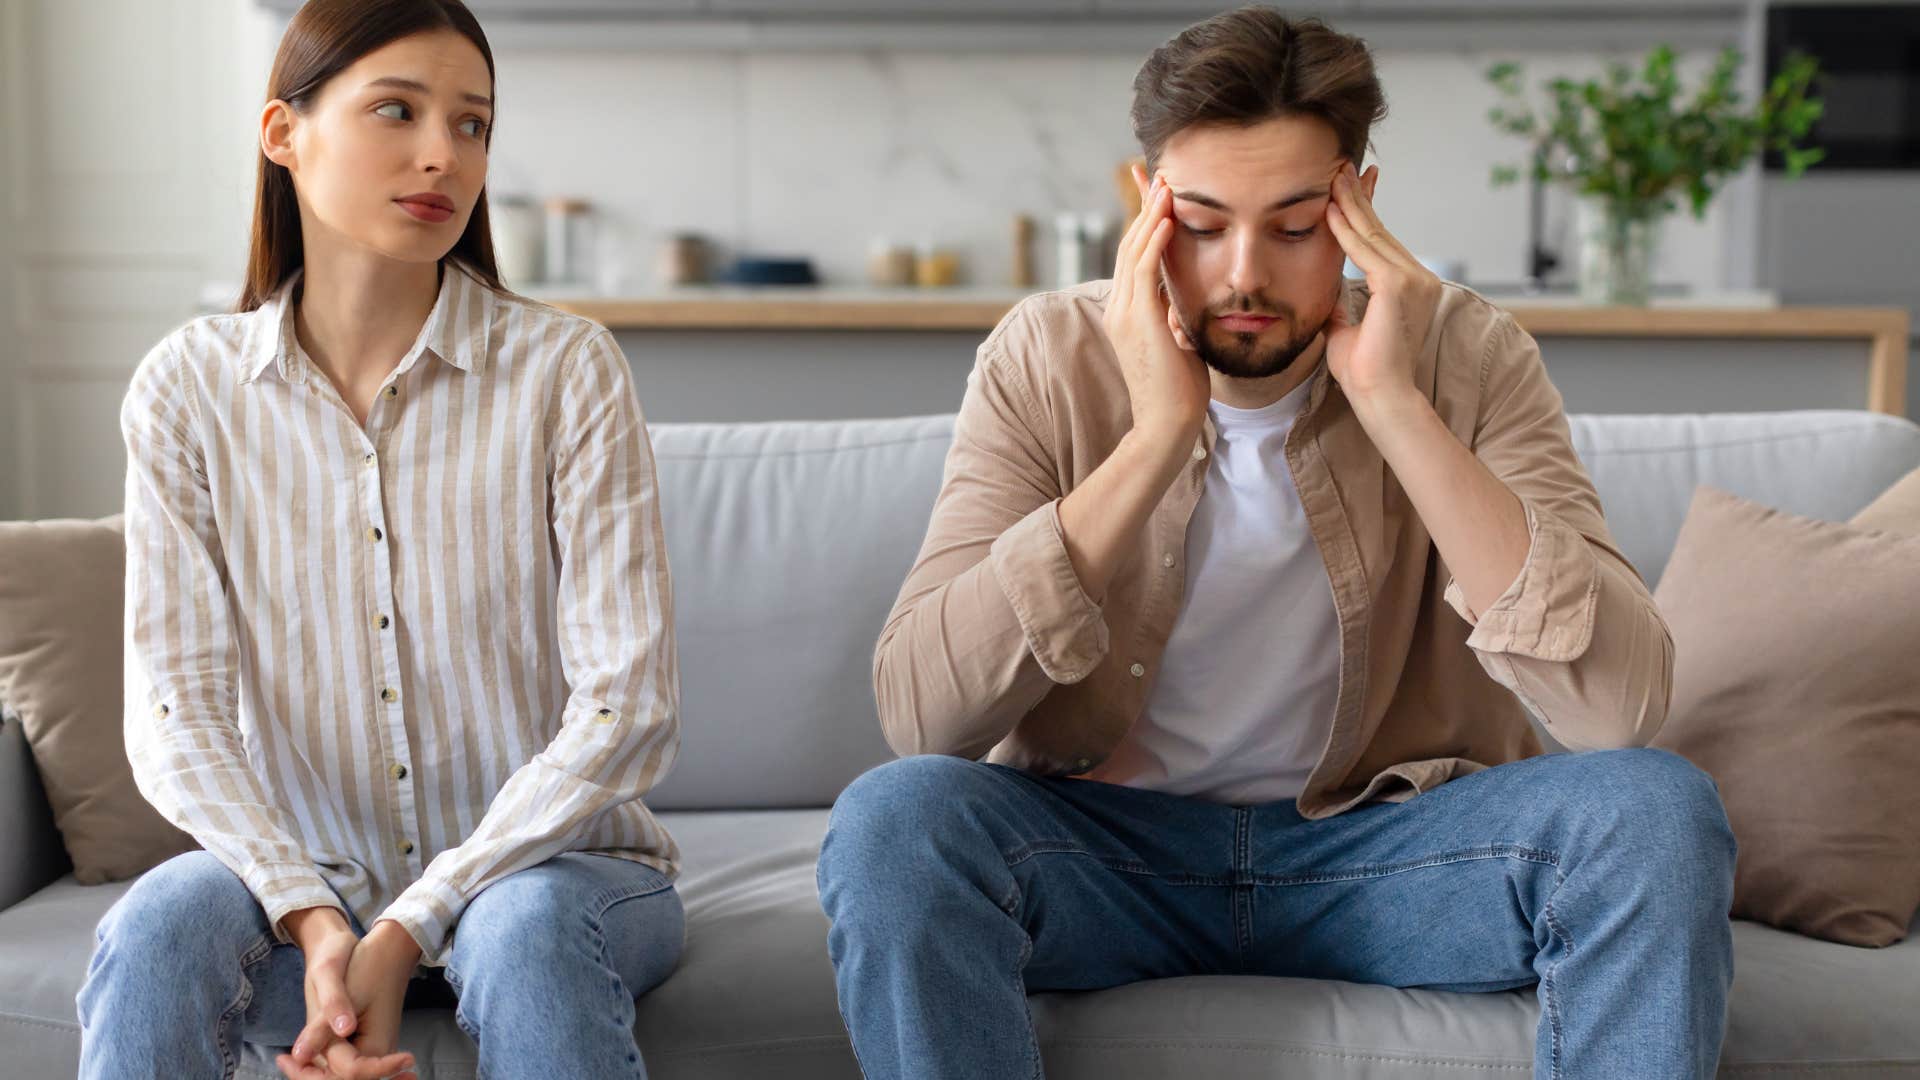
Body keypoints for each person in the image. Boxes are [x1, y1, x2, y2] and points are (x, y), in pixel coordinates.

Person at [817, 8, 1736, 1078]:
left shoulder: (1468, 354)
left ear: (1359, 208)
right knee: (895, 824)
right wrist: (1156, 436)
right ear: (1142, 202)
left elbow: (1619, 707)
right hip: (1103, 855)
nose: (1242, 274)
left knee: (1659, 814)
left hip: (1397, 855)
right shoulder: (1048, 353)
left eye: (1296, 227)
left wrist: (1393, 403)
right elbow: (921, 713)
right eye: (1201, 225)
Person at [76, 2, 684, 1077]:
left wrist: (407, 929)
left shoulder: (567, 370)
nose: (441, 155)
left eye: (473, 124)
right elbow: (177, 714)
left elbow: (626, 707)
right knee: (160, 928)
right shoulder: (187, 389)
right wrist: (313, 918)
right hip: (300, 886)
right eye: (396, 110)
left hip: (552, 878)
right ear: (283, 134)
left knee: (524, 934)